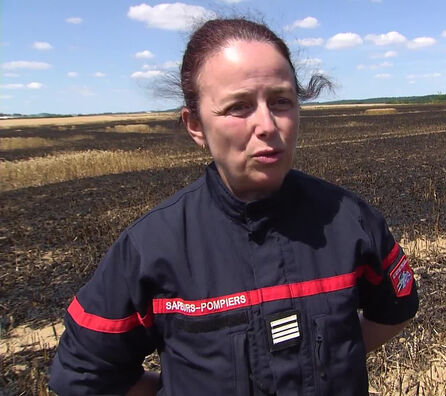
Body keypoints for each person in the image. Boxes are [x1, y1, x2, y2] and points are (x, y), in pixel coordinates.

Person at [49, 17, 418, 396]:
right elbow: (82, 373)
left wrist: (338, 355)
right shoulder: (152, 248)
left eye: (281, 101)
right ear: (195, 125)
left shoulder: (348, 220)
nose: (267, 125)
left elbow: (396, 309)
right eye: (239, 107)